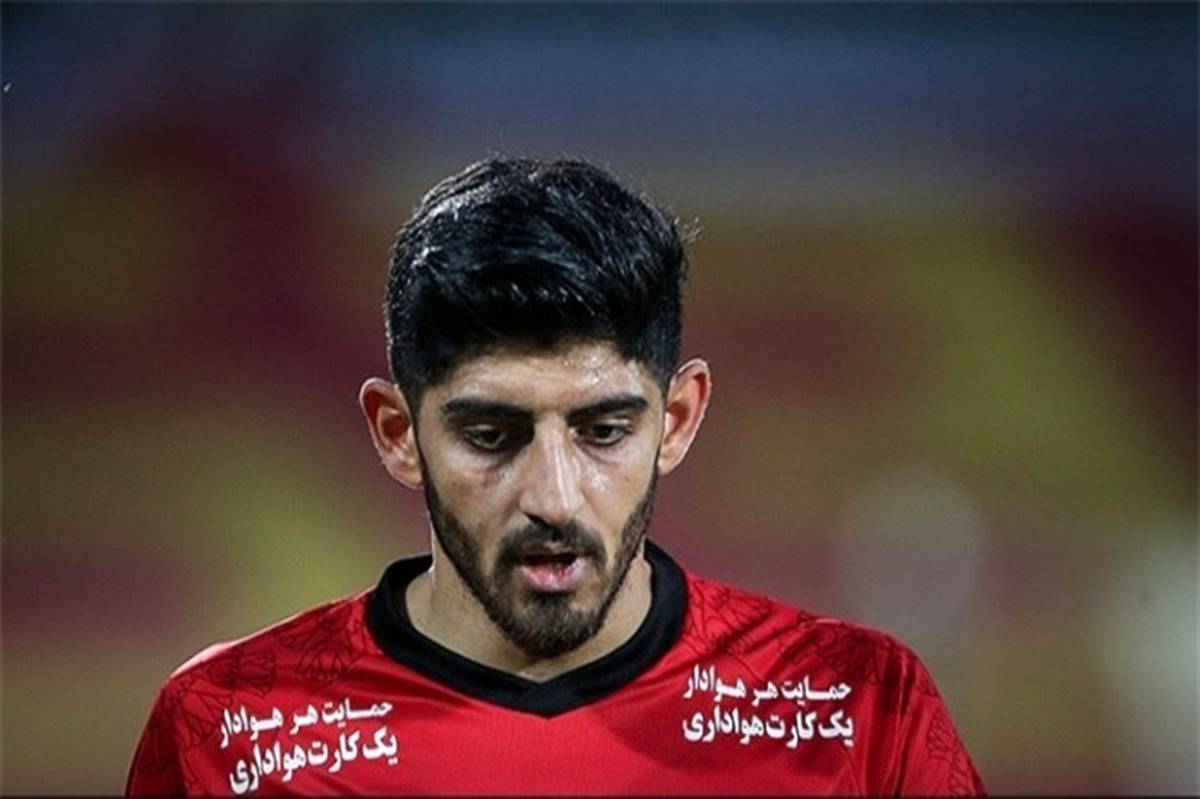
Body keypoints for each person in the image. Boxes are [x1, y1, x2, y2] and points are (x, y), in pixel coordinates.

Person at [126, 157, 985, 796]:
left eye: (603, 431)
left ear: (678, 419)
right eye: (491, 435)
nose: (554, 497)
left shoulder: (861, 709)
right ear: (397, 432)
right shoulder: (227, 731)